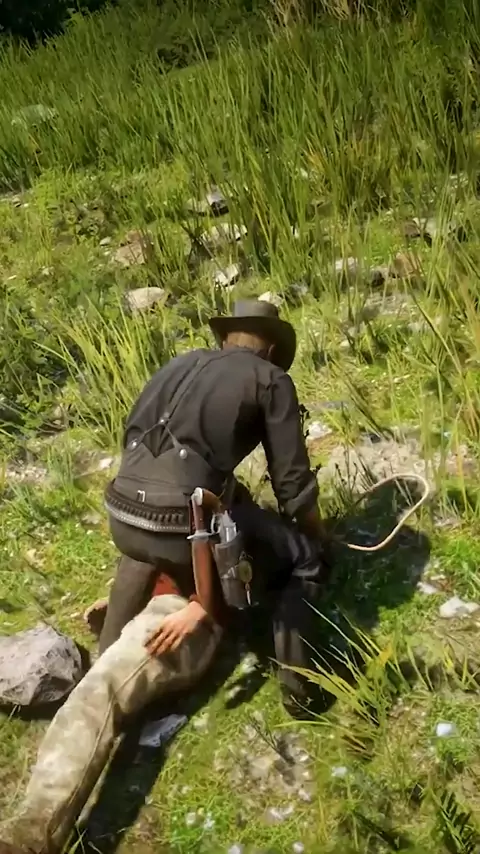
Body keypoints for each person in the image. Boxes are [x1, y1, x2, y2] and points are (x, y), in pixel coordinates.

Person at [0, 300, 331, 854]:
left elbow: (140, 455)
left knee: (113, 657)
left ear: (226, 339)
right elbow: (292, 485)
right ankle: (300, 687)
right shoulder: (267, 380)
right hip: (182, 600)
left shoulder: (179, 365)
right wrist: (312, 537)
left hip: (132, 516)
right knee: (101, 690)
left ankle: (120, 636)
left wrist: (175, 599)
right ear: (272, 349)